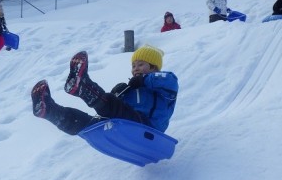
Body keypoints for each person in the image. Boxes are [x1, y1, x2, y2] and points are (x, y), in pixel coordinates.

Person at [31, 45, 179, 136]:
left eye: (140, 64)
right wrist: (118, 94)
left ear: (153, 67)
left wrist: (144, 80)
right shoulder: (132, 89)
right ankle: (50, 111)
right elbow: (113, 110)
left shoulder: (165, 85)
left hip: (148, 127)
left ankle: (83, 86)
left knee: (113, 106)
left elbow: (169, 80)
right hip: (126, 125)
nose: (136, 69)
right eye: (133, 66)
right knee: (90, 124)